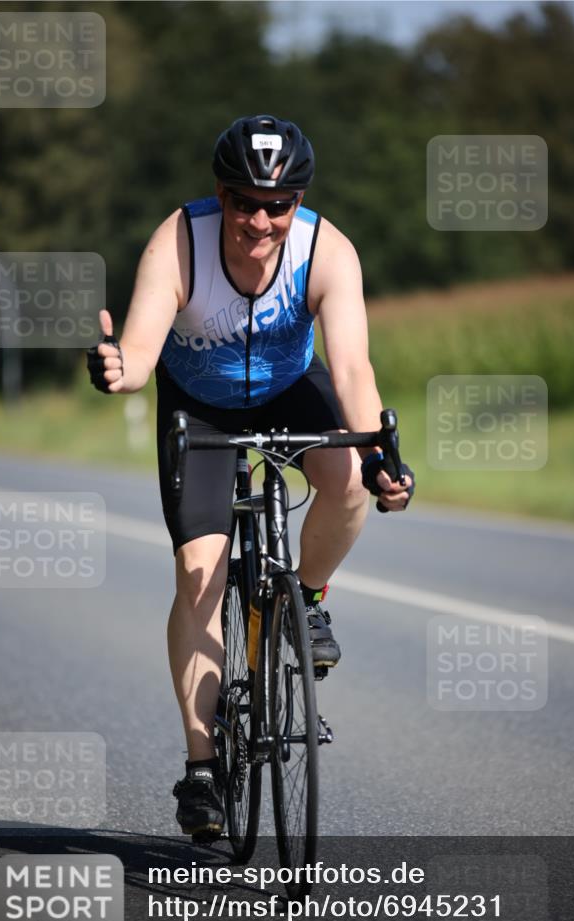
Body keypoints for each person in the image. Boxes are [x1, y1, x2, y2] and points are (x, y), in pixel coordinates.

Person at [87, 114, 414, 838]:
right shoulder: (179, 242)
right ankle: (202, 770)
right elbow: (139, 351)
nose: (260, 220)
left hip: (289, 387)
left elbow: (353, 367)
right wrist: (119, 371)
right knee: (200, 572)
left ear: (297, 202)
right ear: (220, 195)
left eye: (278, 204)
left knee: (349, 481)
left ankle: (304, 597)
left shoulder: (326, 251)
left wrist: (378, 459)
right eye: (243, 202)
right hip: (198, 407)